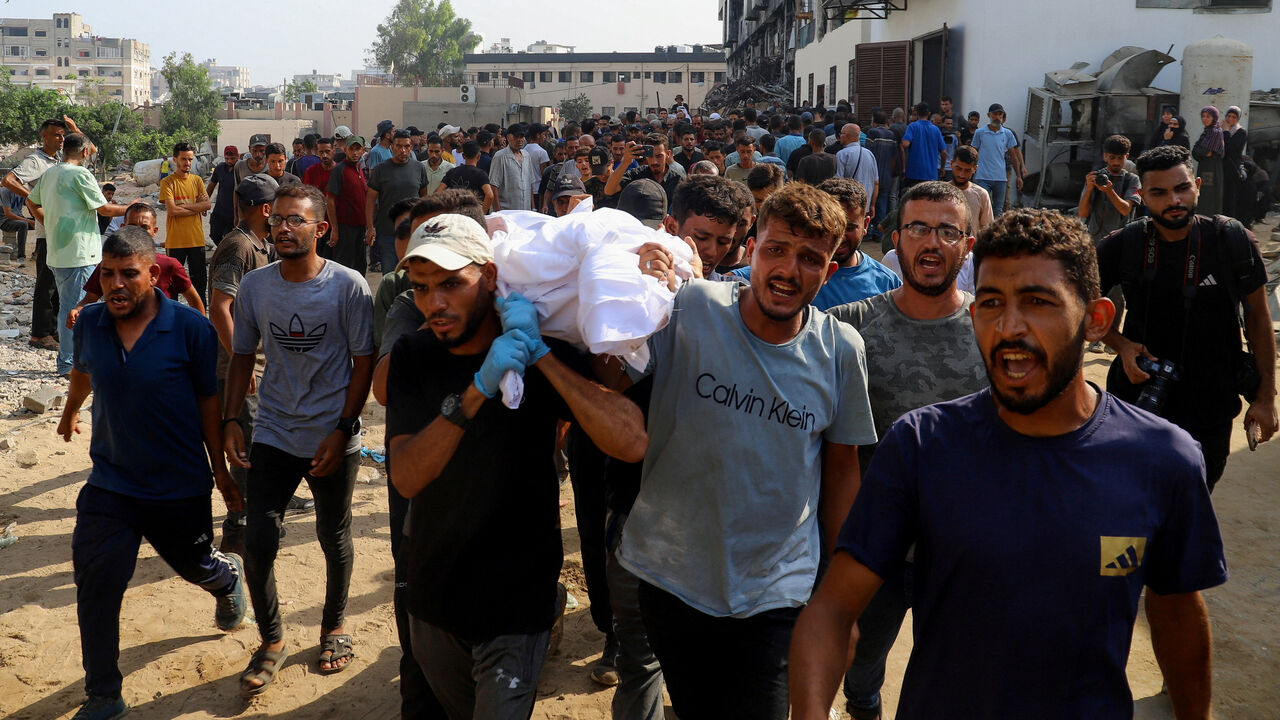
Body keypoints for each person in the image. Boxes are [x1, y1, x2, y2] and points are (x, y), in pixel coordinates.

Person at [791, 208, 1230, 720]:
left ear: (1097, 319)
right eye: (993, 303)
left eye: (1038, 302)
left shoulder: (1164, 459)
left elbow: (1177, 611)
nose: (1010, 326)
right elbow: (833, 609)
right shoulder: (922, 444)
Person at [620, 183, 877, 719]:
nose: (788, 269)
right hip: (671, 574)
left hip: (776, 589)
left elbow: (842, 472)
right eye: (776, 249)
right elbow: (615, 364)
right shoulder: (689, 306)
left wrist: (840, 594)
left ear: (828, 272)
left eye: (810, 258)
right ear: (751, 249)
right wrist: (633, 281)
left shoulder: (840, 350)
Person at [386, 214, 646, 720]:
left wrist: (542, 355)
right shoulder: (414, 355)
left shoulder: (538, 348)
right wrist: (477, 392)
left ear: (487, 276)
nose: (434, 303)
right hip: (434, 592)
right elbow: (407, 475)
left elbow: (631, 439)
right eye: (420, 289)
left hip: (518, 600)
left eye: (450, 284)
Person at [56, 226, 247, 720]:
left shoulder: (191, 329)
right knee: (96, 582)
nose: (115, 284)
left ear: (155, 274)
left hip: (177, 484)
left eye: (129, 274)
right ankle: (103, 694)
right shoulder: (92, 323)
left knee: (194, 565)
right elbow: (84, 370)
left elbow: (209, 401)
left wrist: (221, 475)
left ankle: (226, 579)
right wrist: (71, 410)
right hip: (111, 483)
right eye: (108, 274)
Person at [823, 181, 986, 719]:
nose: (932, 242)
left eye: (947, 231)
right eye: (918, 228)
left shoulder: (993, 331)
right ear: (894, 240)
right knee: (863, 667)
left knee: (956, 672)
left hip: (965, 548)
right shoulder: (852, 327)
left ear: (967, 244)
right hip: (877, 548)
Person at [223, 184, 375, 696]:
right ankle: (271, 639)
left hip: (332, 437)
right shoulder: (256, 287)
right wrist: (231, 420)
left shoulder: (349, 286)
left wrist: (344, 426)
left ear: (321, 229)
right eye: (278, 220)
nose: (284, 228)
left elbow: (363, 362)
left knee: (334, 535)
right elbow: (243, 355)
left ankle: (333, 626)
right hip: (273, 430)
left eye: (297, 220)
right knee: (258, 539)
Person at [1097, 144, 1277, 492]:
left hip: (1209, 407)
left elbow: (1257, 316)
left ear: (1197, 184)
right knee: (1133, 503)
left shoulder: (1231, 240)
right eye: (1159, 193)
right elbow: (1076, 301)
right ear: (1142, 196)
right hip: (1138, 402)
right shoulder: (1126, 244)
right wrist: (1119, 344)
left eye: (1182, 188)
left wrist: (1267, 396)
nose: (1173, 200)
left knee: (1193, 502)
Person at [208, 175, 279, 557]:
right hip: (239, 367)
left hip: (258, 363)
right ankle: (239, 528)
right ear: (266, 209)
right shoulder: (238, 247)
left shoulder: (260, 244)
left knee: (260, 441)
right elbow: (219, 308)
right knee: (245, 445)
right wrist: (241, 361)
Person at [26, 132, 129, 377]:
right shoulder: (81, 174)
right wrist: (132, 207)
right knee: (76, 310)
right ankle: (69, 364)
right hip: (80, 253)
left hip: (58, 253)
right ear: (84, 152)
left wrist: (49, 222)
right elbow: (104, 209)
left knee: (68, 306)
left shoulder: (51, 173)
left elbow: (31, 202)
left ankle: (74, 360)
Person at [67, 203, 206, 329]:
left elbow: (193, 299)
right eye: (132, 226)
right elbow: (90, 298)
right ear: (122, 228)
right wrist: (77, 311)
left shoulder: (169, 265)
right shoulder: (109, 265)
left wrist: (202, 330)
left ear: (154, 231)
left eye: (145, 227)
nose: (138, 232)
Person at [5, 118, 67, 350]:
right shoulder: (36, 160)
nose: (60, 139)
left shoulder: (58, 160)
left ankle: (54, 331)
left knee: (58, 283)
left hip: (59, 229)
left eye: (62, 135)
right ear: (44, 137)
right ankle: (40, 334)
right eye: (56, 135)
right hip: (45, 231)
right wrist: (33, 199)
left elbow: (89, 149)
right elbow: (9, 180)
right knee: (46, 284)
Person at [367, 130, 432, 273]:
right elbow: (370, 201)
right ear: (392, 147)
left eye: (406, 146)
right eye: (398, 146)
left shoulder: (419, 168)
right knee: (391, 275)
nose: (403, 150)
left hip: (413, 233)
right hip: (387, 233)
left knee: (412, 276)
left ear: (411, 147)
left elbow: (424, 199)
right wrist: (370, 227)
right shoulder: (380, 170)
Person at [159, 142, 213, 307]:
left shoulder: (197, 181)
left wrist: (184, 207)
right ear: (175, 159)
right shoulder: (167, 182)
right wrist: (196, 207)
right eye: (184, 159)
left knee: (199, 285)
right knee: (172, 287)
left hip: (196, 241)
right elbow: (172, 211)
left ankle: (200, 320)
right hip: (175, 242)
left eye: (190, 159)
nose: (187, 163)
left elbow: (207, 205)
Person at [1079, 135, 1141, 241]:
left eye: (1120, 158)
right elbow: (1083, 213)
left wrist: (1109, 191)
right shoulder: (1095, 178)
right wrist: (1089, 189)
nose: (1116, 162)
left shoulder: (1132, 180)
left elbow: (1125, 210)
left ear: (1127, 156)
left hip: (1120, 240)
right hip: (1095, 240)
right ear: (1105, 156)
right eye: (1112, 157)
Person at [325, 135, 370, 275]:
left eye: (358, 149)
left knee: (360, 266)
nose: (355, 152)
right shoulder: (340, 170)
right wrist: (335, 229)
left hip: (360, 228)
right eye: (352, 149)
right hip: (345, 228)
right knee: (344, 268)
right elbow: (330, 200)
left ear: (363, 150)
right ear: (345, 150)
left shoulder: (360, 170)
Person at [971, 103, 1022, 214]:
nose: (997, 117)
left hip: (1000, 177)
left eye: (1000, 114)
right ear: (989, 115)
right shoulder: (980, 133)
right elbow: (973, 152)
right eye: (995, 114)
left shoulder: (1007, 134)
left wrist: (1018, 176)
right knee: (982, 208)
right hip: (982, 176)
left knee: (998, 210)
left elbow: (1013, 155)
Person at [605, 134, 686, 204]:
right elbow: (609, 190)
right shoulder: (637, 174)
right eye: (650, 156)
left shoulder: (678, 180)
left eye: (659, 156)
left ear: (668, 154)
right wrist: (625, 162)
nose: (654, 161)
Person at [900, 103, 946, 194]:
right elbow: (944, 152)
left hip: (913, 172)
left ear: (917, 113)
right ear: (928, 113)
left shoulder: (912, 127)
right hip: (931, 174)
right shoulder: (936, 130)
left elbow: (905, 144)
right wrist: (942, 167)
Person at [490, 124, 538, 212]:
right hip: (507, 211)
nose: (520, 140)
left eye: (522, 137)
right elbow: (493, 185)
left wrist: (533, 207)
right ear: (508, 137)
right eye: (516, 137)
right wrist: (497, 211)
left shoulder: (526, 156)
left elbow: (530, 183)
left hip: (525, 211)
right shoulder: (500, 156)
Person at [949, 145, 994, 236]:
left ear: (975, 169)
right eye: (959, 168)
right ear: (951, 164)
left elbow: (988, 229)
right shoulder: (940, 193)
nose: (961, 175)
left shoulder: (981, 195)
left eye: (967, 170)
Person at [440, 140, 494, 212]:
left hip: (456, 215)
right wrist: (482, 213)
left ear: (463, 156)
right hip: (474, 215)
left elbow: (438, 192)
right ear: (479, 156)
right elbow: (490, 195)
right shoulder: (481, 174)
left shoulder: (452, 172)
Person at [835, 123, 879, 213]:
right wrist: (873, 205)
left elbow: (838, 181)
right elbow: (876, 183)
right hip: (866, 205)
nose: (840, 136)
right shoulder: (869, 154)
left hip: (849, 205)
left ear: (847, 136)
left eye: (841, 134)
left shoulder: (842, 154)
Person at [1192, 106, 1226, 216]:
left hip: (1212, 169)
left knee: (1209, 196)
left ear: (1214, 118)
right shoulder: (1206, 132)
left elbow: (1204, 151)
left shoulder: (1215, 132)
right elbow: (1195, 152)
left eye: (1208, 116)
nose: (1205, 119)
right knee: (1203, 193)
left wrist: (1201, 152)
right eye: (1203, 116)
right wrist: (1201, 152)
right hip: (1205, 166)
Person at [207, 145, 240, 246]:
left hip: (234, 212)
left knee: (230, 237)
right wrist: (204, 202)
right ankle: (223, 252)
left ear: (237, 157)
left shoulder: (241, 169)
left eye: (232, 158)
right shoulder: (220, 168)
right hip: (219, 210)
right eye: (227, 159)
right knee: (214, 234)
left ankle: (226, 254)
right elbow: (211, 186)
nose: (229, 161)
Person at [1221, 105, 1249, 221]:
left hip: (1232, 169)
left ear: (1238, 119)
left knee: (1230, 198)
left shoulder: (1241, 132)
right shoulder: (1220, 130)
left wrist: (1226, 131)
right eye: (1229, 116)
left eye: (1234, 117)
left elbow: (1230, 149)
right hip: (1221, 167)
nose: (1230, 119)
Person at [0, 185, 34, 262]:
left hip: (19, 218)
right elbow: (8, 214)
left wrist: (37, 218)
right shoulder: (5, 191)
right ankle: (21, 256)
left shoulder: (22, 191)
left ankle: (37, 253)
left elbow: (31, 207)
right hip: (5, 221)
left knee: (41, 223)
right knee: (23, 224)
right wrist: (29, 221)